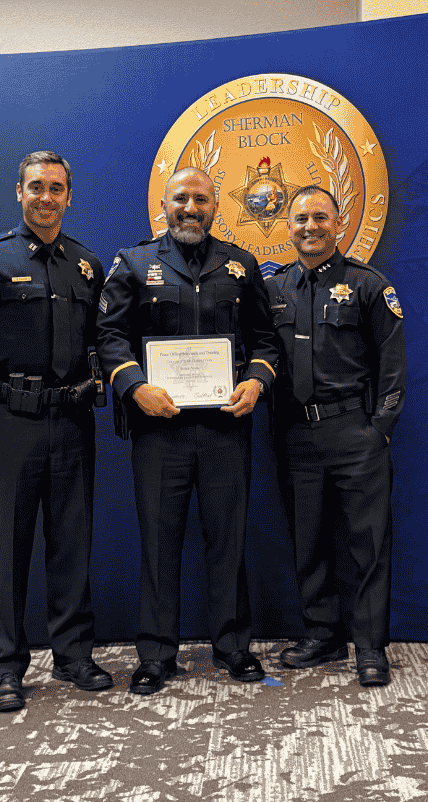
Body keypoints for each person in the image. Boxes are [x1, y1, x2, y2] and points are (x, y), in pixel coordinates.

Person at [0, 151, 110, 712]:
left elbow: (104, 343)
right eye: (36, 187)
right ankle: (6, 667)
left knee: (71, 543)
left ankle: (73, 654)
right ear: (19, 191)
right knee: (9, 549)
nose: (46, 197)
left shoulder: (87, 265)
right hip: (9, 423)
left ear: (69, 196)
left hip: (73, 421)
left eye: (57, 188)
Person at [96, 166, 279, 695]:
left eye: (201, 199)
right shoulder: (134, 263)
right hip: (160, 431)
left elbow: (266, 340)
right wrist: (134, 386)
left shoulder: (241, 266)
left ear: (215, 207)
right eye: (182, 199)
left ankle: (233, 648)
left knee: (229, 539)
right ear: (165, 204)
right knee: (159, 541)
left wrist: (256, 382)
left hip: (225, 428)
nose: (191, 208)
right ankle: (156, 654)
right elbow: (109, 336)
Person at [265, 186, 406, 687]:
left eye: (320, 217)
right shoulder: (273, 288)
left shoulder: (369, 286)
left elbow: (392, 367)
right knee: (309, 540)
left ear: (338, 222)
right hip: (296, 433)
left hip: (355, 432)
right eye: (300, 218)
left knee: (368, 543)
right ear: (288, 227)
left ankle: (370, 648)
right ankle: (321, 635)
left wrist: (379, 431)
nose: (310, 227)